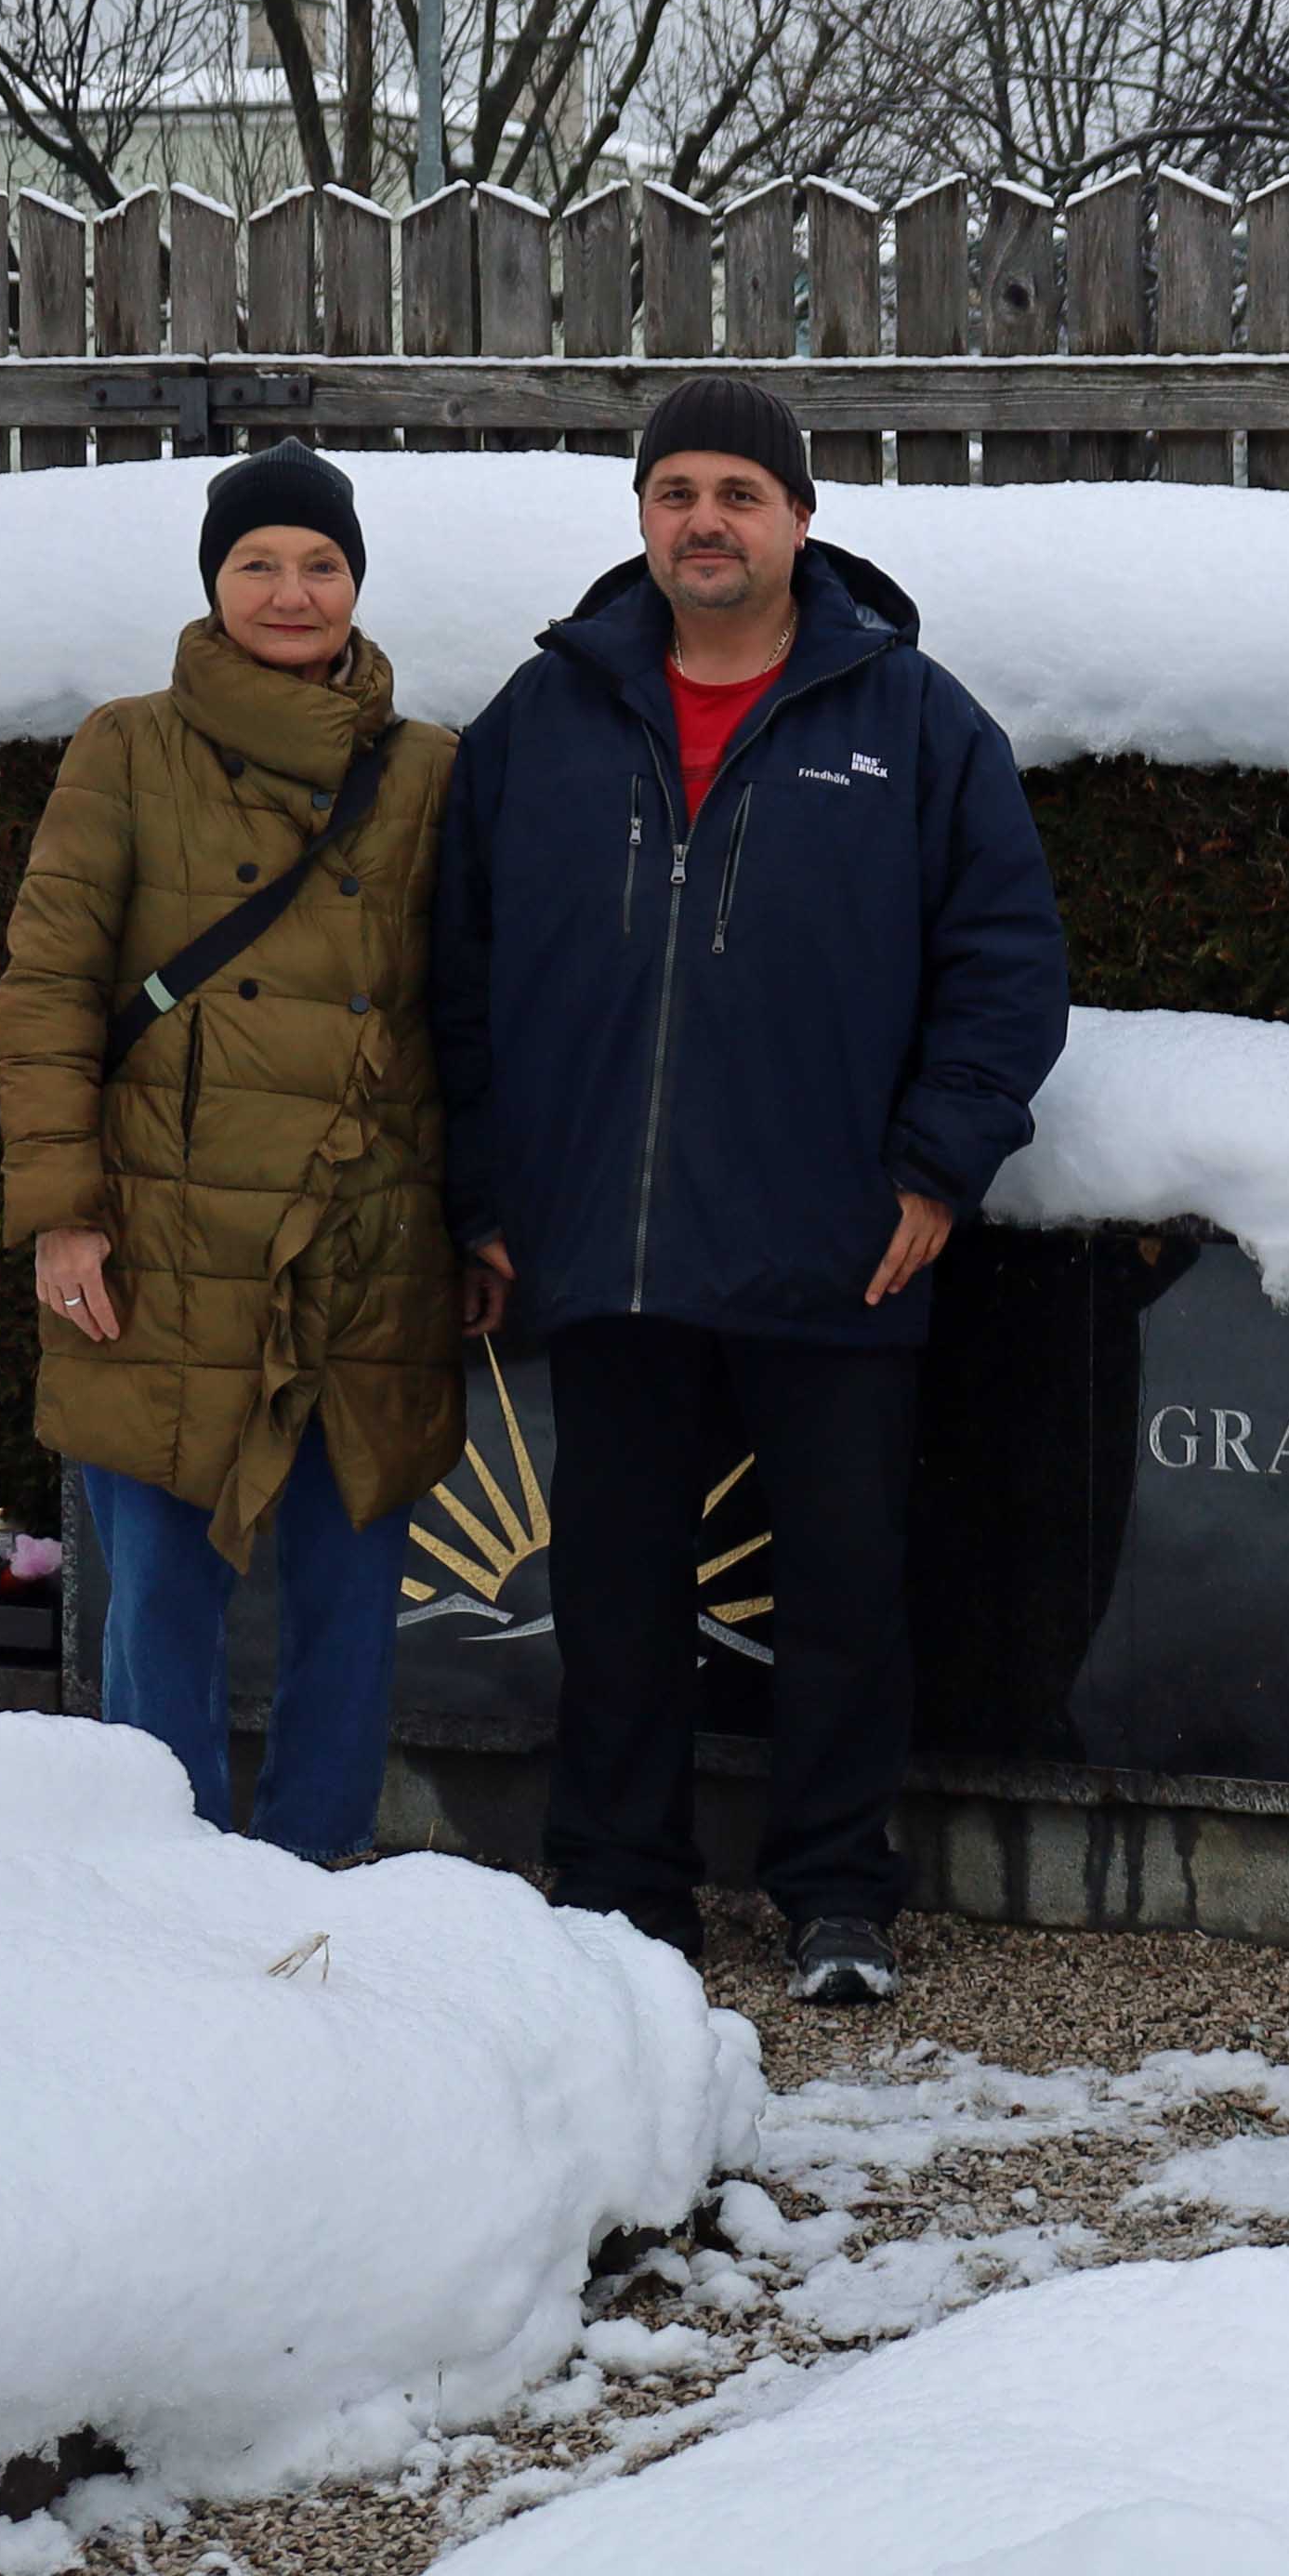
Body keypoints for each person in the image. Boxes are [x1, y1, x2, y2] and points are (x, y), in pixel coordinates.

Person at [434, 376, 1067, 2005]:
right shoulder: (544, 718)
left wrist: (937, 1159)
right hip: (609, 1243)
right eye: (675, 493)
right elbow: (459, 968)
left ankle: (838, 1892)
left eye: (738, 492)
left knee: (845, 1592)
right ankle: (622, 1888)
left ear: (800, 516)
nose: (704, 520)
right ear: (642, 517)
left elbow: (1005, 964)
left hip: (828, 1243)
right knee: (618, 1595)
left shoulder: (914, 721)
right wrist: (488, 1192)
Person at [0, 446, 459, 1859]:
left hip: (362, 1242)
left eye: (320, 563)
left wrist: (479, 1220)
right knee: (159, 1605)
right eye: (258, 561)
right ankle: (160, 1883)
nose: (291, 590)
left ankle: (316, 1877)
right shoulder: (126, 745)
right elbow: (49, 989)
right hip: (164, 1246)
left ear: (357, 582)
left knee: (349, 1599)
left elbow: (470, 1021)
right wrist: (62, 1217)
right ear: (213, 581)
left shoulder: (430, 769)